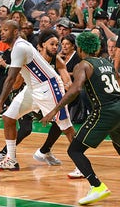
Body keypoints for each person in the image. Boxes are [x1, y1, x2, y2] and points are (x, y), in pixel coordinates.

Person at [40, 32, 120, 205]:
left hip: (105, 111)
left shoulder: (83, 65)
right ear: (97, 47)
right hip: (119, 107)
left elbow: (75, 89)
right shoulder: (106, 62)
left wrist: (54, 110)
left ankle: (97, 186)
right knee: (118, 144)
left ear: (80, 48)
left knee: (74, 150)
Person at [0, 20, 76, 171]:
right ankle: (11, 159)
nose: (2, 32)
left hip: (49, 86)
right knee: (9, 117)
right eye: (1, 29)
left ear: (15, 32)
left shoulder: (20, 47)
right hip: (33, 88)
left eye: (6, 30)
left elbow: (10, 79)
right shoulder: (17, 47)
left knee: (66, 127)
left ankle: (81, 165)